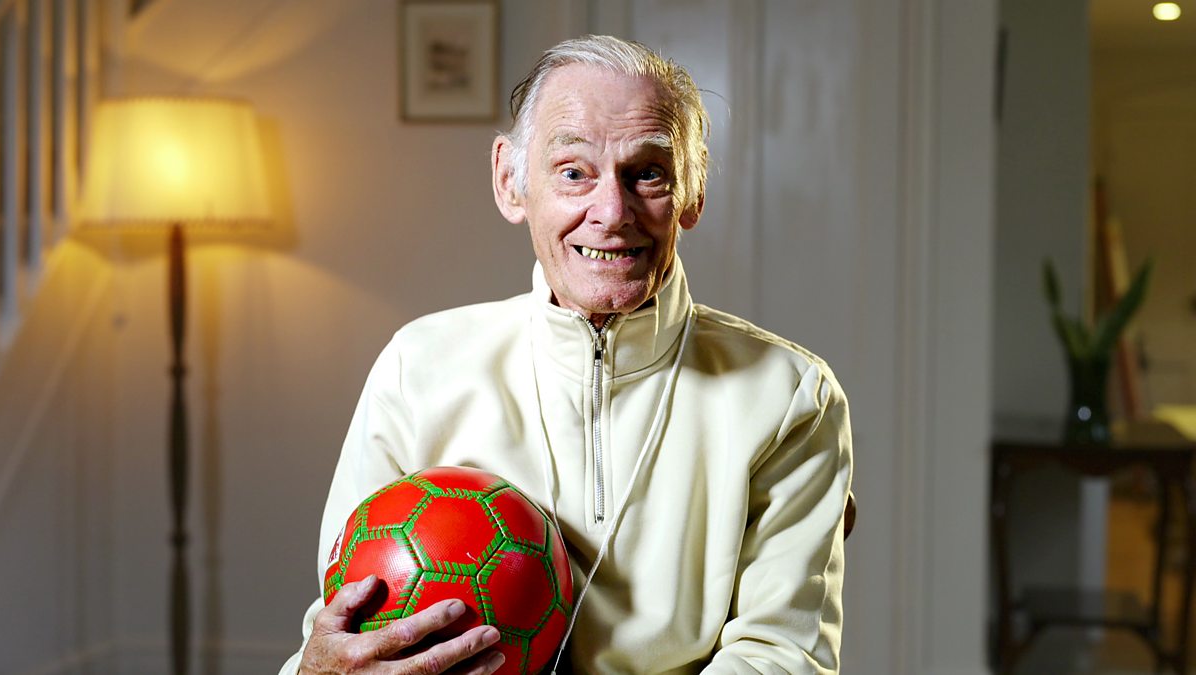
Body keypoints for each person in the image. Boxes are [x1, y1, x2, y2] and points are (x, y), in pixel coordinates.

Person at [281, 34, 853, 675]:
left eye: (648, 173)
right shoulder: (417, 369)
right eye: (574, 172)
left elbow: (781, 656)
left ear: (693, 192)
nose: (611, 212)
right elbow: (341, 635)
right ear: (510, 181)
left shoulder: (791, 396)